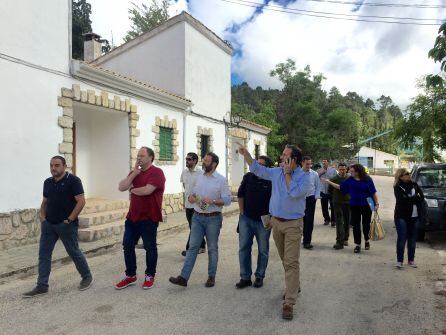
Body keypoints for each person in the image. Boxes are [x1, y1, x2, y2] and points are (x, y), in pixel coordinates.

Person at [238, 143, 311, 320]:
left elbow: (293, 193)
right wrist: (246, 154)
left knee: (291, 261)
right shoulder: (276, 172)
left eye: (285, 155)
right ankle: (295, 285)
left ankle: (289, 301)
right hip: (276, 223)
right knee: (285, 259)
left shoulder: (304, 177)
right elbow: (257, 169)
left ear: (294, 159)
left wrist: (287, 173)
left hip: (293, 224)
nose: (281, 157)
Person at [23, 156, 93, 298]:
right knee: (44, 255)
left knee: (74, 252)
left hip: (65, 225)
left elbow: (81, 201)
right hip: (49, 225)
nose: (53, 168)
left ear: (64, 166)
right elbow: (45, 202)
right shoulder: (47, 182)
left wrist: (70, 219)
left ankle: (86, 276)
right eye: (51, 165)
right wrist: (43, 218)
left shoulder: (74, 181)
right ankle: (42, 285)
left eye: (57, 165)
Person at [169, 152, 231, 288]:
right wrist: (192, 197)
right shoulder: (200, 177)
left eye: (207, 161)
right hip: (197, 216)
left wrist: (213, 201)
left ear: (214, 164)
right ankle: (183, 278)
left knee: (212, 248)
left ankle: (211, 277)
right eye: (204, 160)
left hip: (213, 218)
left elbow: (227, 200)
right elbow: (194, 193)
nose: (204, 162)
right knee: (192, 248)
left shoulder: (221, 180)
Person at [114, 147, 165, 290]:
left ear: (151, 157)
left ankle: (150, 276)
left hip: (149, 218)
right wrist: (133, 175)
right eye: (138, 155)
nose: (139, 158)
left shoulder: (157, 173)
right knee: (127, 245)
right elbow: (121, 187)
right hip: (132, 217)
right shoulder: (135, 173)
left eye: (142, 155)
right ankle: (130, 275)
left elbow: (147, 190)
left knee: (150, 247)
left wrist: (132, 189)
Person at [236, 155, 273, 289]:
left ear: (266, 168)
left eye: (261, 165)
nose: (257, 167)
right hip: (246, 218)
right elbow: (240, 194)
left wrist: (272, 218)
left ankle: (259, 276)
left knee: (263, 250)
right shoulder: (248, 177)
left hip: (264, 219)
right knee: (244, 248)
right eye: (257, 163)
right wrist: (241, 212)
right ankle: (245, 277)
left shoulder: (271, 180)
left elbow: (276, 201)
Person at [326, 164, 379, 253]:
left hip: (367, 205)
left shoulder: (367, 179)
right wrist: (329, 182)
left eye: (352, 171)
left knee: (366, 225)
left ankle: (366, 240)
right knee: (356, 226)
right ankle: (357, 244)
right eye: (350, 171)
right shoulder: (350, 180)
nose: (350, 173)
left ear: (358, 172)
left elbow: (373, 192)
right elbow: (340, 187)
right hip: (354, 205)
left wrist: (376, 203)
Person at [393, 168, 424, 269]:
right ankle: (399, 261)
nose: (409, 175)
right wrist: (415, 198)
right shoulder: (397, 186)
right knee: (402, 238)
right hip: (401, 216)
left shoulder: (414, 184)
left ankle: (411, 260)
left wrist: (410, 198)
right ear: (400, 176)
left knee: (412, 240)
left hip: (414, 216)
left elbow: (422, 198)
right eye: (406, 174)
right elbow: (401, 200)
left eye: (409, 173)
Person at [180, 152, 205, 257]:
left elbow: (204, 189)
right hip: (188, 205)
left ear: (195, 161)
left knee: (194, 228)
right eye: (186, 159)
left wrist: (195, 198)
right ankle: (202, 246)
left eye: (189, 159)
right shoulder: (184, 172)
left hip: (197, 205)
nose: (187, 161)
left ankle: (189, 249)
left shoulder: (201, 173)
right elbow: (185, 187)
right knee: (193, 227)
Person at [329, 162, 351, 250]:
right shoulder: (333, 179)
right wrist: (335, 198)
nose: (342, 171)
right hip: (337, 202)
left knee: (346, 221)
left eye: (344, 169)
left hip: (348, 202)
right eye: (341, 169)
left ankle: (345, 238)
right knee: (339, 221)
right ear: (338, 169)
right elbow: (330, 190)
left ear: (346, 169)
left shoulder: (350, 178)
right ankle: (339, 242)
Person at [302, 156, 321, 250]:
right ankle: (298, 239)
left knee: (309, 221)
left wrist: (316, 197)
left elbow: (318, 186)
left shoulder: (314, 174)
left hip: (310, 200)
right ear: (302, 163)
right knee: (298, 221)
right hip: (298, 200)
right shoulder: (296, 173)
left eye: (310, 164)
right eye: (307, 164)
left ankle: (307, 241)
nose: (309, 166)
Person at [318, 159, 337, 226]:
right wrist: (321, 173)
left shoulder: (333, 170)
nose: (324, 163)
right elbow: (316, 177)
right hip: (323, 191)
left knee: (333, 206)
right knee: (324, 206)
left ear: (328, 162)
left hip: (331, 190)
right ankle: (326, 220)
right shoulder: (319, 170)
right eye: (322, 162)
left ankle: (333, 221)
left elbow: (335, 179)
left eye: (325, 162)